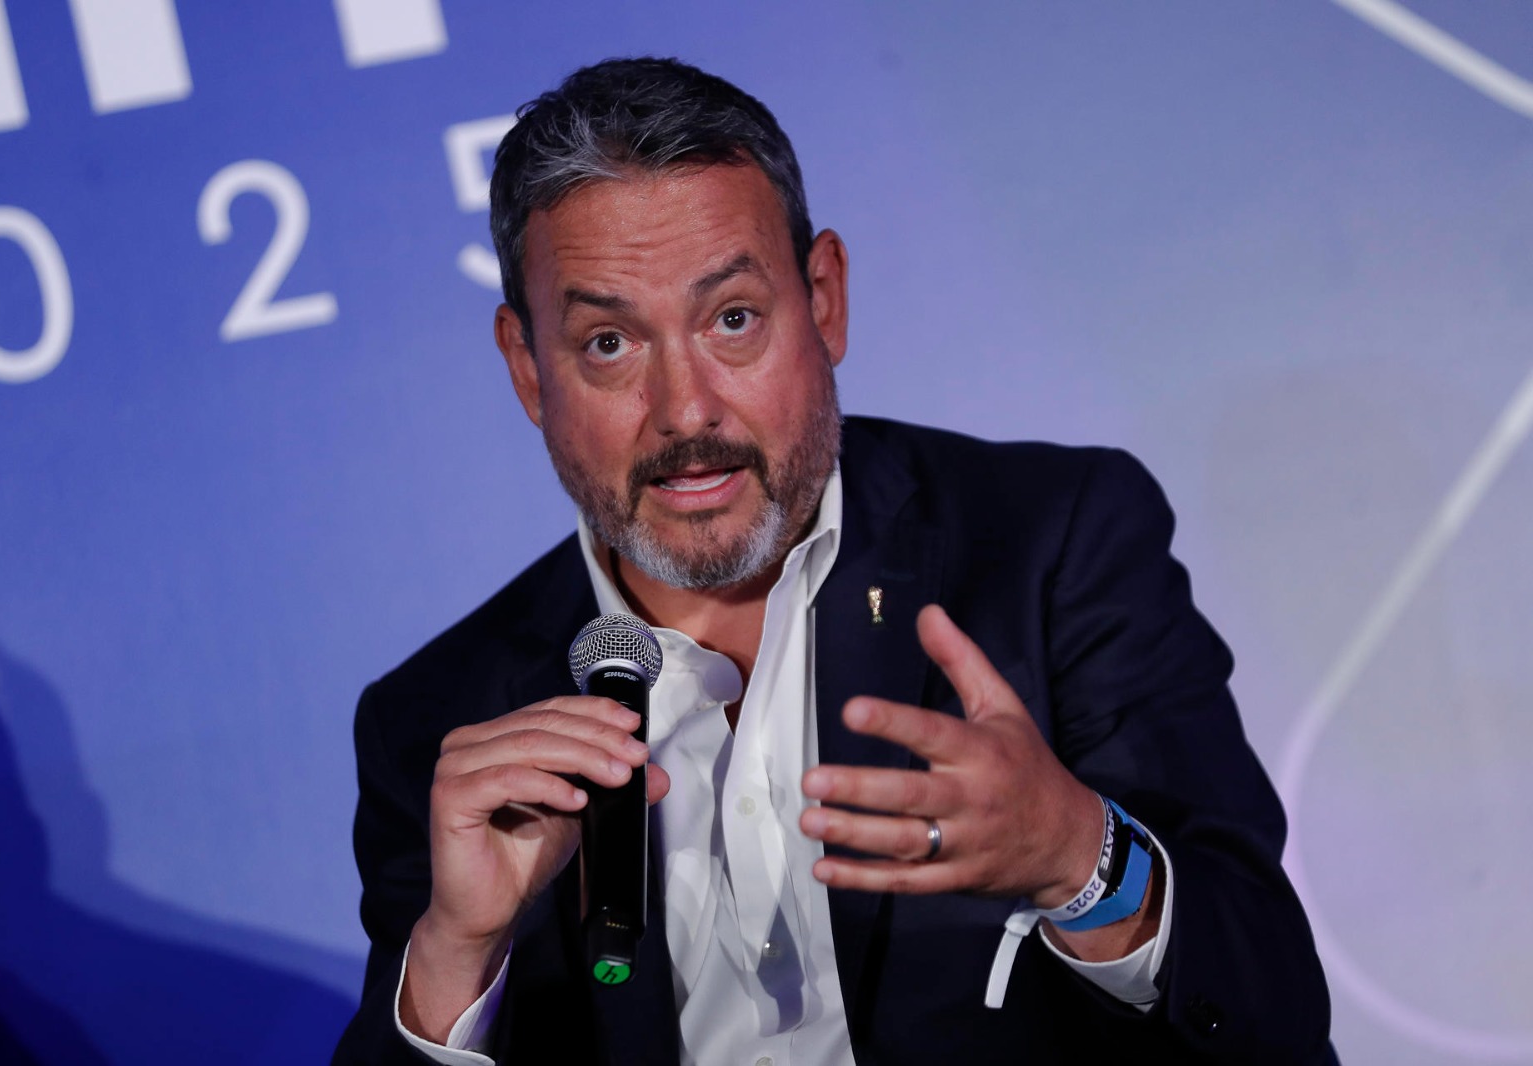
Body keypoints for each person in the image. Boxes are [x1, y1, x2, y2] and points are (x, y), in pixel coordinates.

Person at [334, 57, 1334, 1065]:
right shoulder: (438, 723)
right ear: (526, 368)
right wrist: (454, 955)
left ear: (823, 300)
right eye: (607, 344)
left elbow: (1274, 1008)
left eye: (732, 319)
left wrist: (1081, 856)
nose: (685, 411)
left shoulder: (1052, 543)